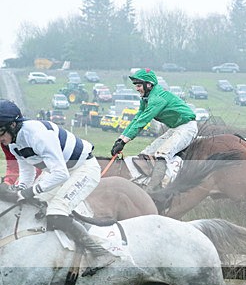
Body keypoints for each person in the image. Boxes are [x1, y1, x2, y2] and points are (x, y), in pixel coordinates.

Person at [0, 99, 116, 272]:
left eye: (0, 132)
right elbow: (27, 171)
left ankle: (101, 253)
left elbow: (60, 173)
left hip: (83, 169)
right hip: (58, 172)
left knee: (56, 211)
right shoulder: (14, 142)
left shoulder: (37, 135)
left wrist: (30, 191)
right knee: (30, 205)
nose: (0, 138)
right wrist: (21, 189)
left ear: (13, 125)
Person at [110, 68, 197, 190]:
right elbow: (137, 118)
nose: (137, 88)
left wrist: (125, 141)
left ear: (149, 85)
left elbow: (143, 121)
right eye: (136, 85)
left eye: (139, 85)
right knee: (146, 154)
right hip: (175, 129)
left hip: (187, 128)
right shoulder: (145, 99)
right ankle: (143, 182)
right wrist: (120, 140)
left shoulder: (157, 99)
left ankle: (154, 189)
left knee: (162, 154)